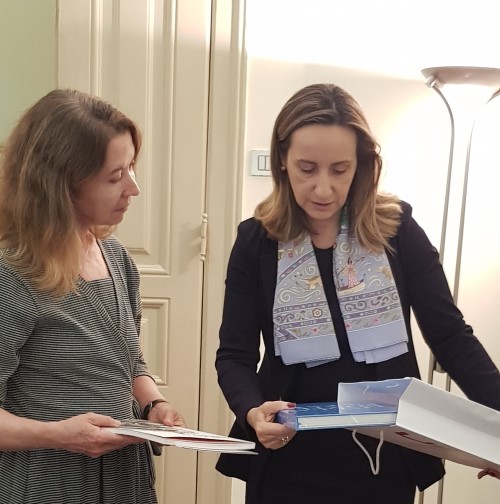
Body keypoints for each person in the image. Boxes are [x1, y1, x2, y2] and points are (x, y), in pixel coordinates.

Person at [215, 83, 500, 504]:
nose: (323, 189)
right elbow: (234, 355)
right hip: (288, 459)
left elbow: (451, 337)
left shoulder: (397, 230)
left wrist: (497, 427)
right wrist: (252, 411)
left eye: (340, 170)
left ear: (362, 165)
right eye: (307, 169)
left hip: (384, 459)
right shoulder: (257, 241)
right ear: (282, 161)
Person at [0, 89, 185, 504]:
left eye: (131, 167)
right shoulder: (11, 275)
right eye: (115, 176)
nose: (133, 188)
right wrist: (58, 435)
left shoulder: (117, 257)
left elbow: (130, 362)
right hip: (49, 483)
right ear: (59, 184)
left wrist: (153, 404)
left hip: (124, 478)